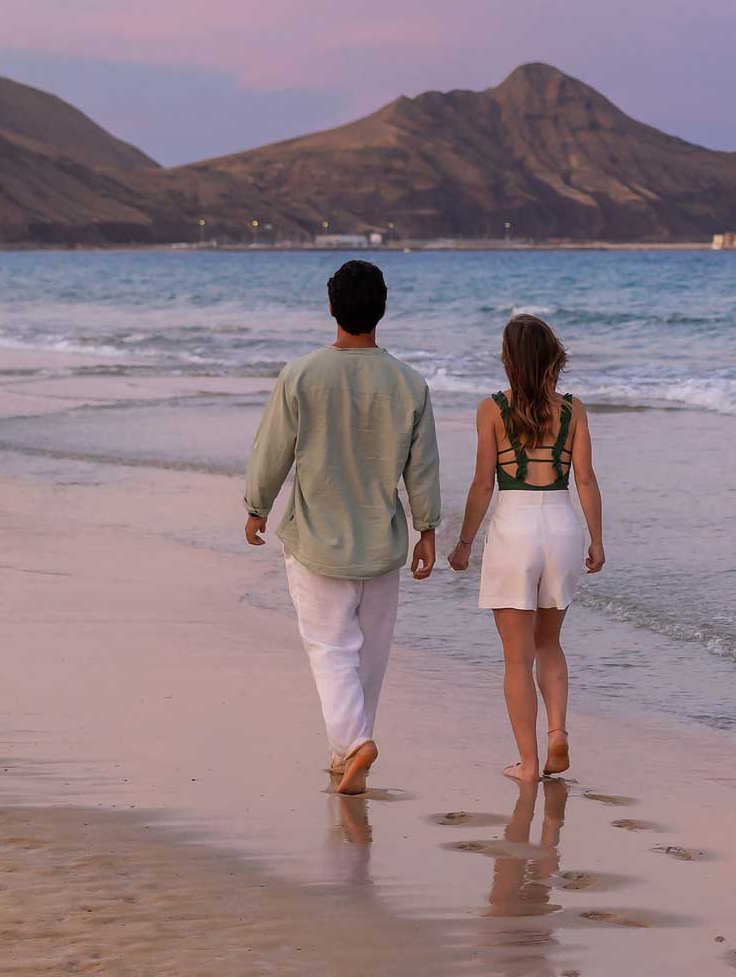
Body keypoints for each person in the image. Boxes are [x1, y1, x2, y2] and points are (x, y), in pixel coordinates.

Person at [241, 260, 442, 796]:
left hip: (316, 538)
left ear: (331, 308)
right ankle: (347, 749)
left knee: (329, 649)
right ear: (382, 309)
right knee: (370, 656)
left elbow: (272, 449)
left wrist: (256, 506)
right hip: (383, 540)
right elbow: (422, 468)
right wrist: (427, 529)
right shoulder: (410, 384)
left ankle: (353, 745)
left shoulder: (301, 375)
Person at [447, 313, 604, 780]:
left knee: (517, 658)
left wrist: (463, 543)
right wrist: (597, 539)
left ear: (509, 361)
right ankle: (558, 734)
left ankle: (529, 763)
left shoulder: (491, 409)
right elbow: (587, 479)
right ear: (552, 356)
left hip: (514, 528)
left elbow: (482, 485)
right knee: (550, 643)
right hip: (562, 525)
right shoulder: (574, 409)